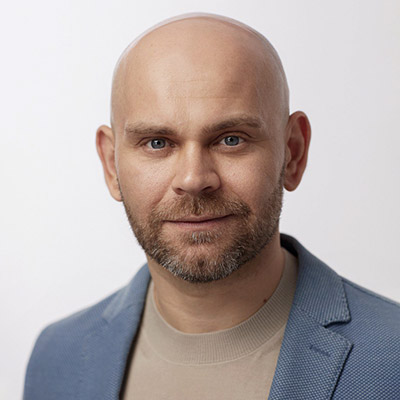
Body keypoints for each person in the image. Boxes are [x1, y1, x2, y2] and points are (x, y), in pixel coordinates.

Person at [23, 13, 399, 400]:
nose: (193, 178)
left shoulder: (393, 358)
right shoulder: (56, 359)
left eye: (231, 139)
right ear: (111, 164)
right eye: (157, 142)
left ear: (293, 153)